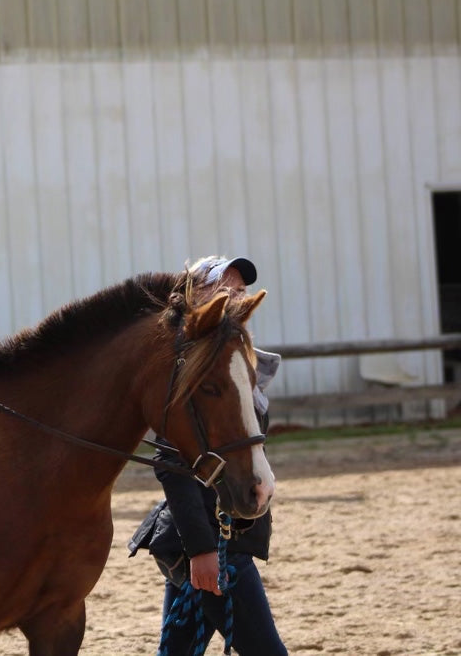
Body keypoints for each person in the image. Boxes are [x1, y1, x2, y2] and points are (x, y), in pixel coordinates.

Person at [128, 255, 287, 655]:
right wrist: (201, 550)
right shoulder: (189, 372)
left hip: (223, 539)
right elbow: (173, 471)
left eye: (240, 289)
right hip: (215, 546)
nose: (235, 294)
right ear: (195, 294)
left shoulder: (234, 364)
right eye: (223, 287)